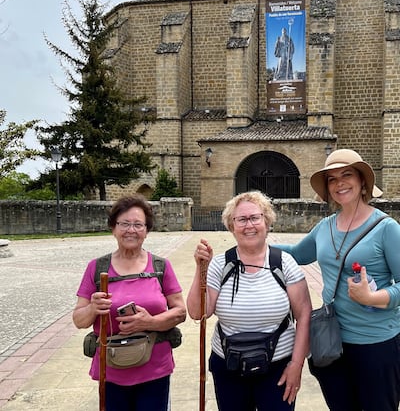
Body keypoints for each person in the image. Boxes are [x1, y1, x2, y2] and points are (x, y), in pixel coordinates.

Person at [274, 149, 400, 411]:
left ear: (362, 180)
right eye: (332, 179)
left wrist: (373, 298)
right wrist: (254, 246)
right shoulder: (325, 226)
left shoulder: (387, 228)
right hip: (330, 341)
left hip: (376, 344)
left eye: (346, 175)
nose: (339, 183)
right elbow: (298, 254)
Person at [186, 191, 312, 411]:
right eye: (241, 219)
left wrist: (296, 365)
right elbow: (198, 313)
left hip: (278, 368)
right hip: (228, 366)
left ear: (267, 221)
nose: (249, 225)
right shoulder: (219, 265)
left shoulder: (284, 263)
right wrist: (201, 269)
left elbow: (304, 315)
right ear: (231, 226)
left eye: (255, 217)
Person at [72, 194, 186, 411]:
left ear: (146, 230)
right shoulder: (97, 268)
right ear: (113, 228)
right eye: (124, 224)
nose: (131, 230)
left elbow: (180, 312)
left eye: (138, 224)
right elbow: (79, 320)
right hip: (111, 368)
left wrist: (149, 322)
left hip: (155, 366)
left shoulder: (161, 266)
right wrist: (93, 308)